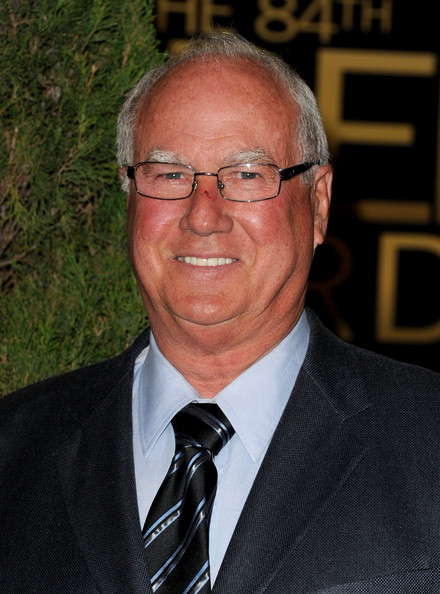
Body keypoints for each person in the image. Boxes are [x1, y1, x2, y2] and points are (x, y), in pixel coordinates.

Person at [1, 31, 440, 594]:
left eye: (248, 174)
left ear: (318, 204)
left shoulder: (428, 442)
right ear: (129, 197)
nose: (203, 215)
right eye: (169, 174)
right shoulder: (13, 450)